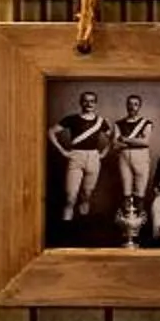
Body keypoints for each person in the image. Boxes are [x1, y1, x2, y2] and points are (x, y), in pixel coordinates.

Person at [49, 90, 108, 228]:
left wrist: (104, 152)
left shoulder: (101, 121)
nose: (89, 104)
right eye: (86, 100)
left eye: (92, 101)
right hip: (76, 156)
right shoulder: (71, 119)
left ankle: (83, 226)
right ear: (81, 102)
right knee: (70, 197)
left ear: (95, 104)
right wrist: (62, 151)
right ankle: (66, 229)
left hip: (93, 157)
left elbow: (113, 138)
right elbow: (51, 131)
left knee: (86, 194)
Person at [111, 94, 155, 216]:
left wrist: (124, 139)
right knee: (126, 193)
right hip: (124, 158)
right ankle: (127, 225)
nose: (132, 107)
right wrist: (136, 141)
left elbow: (145, 142)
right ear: (126, 105)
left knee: (140, 194)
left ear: (139, 106)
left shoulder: (146, 123)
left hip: (141, 157)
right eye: (130, 104)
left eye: (135, 104)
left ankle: (139, 226)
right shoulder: (118, 123)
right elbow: (115, 145)